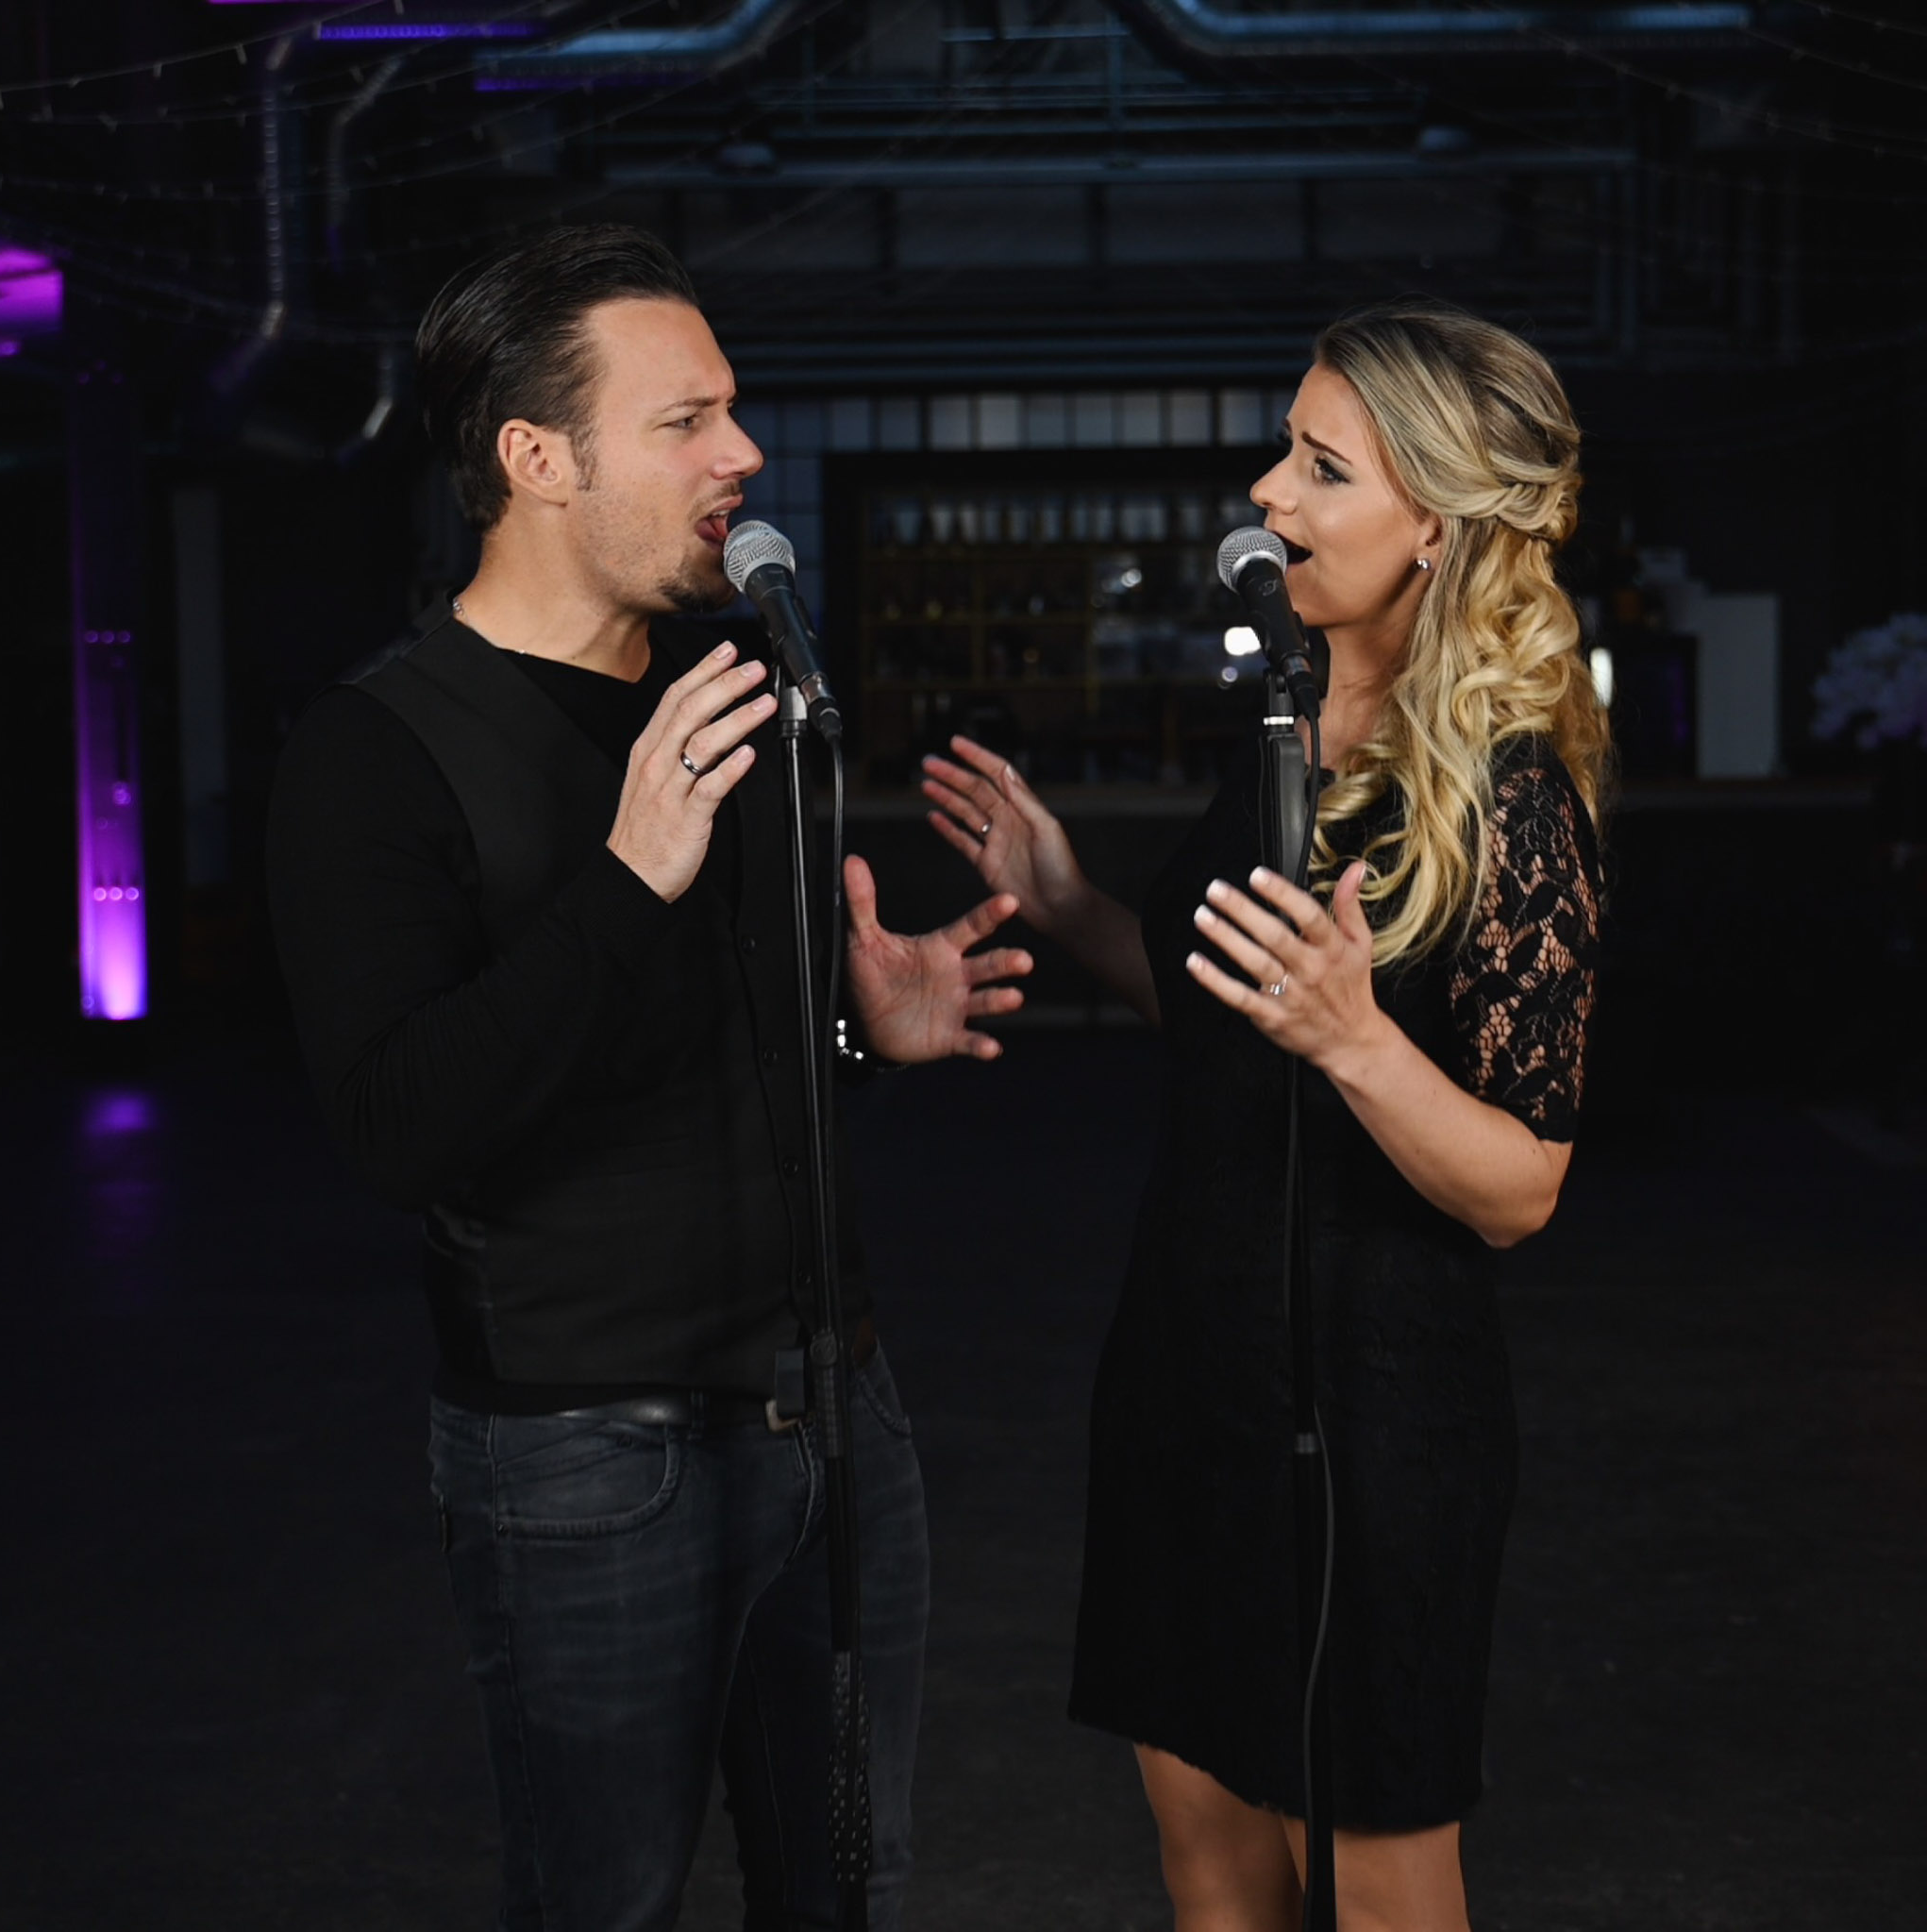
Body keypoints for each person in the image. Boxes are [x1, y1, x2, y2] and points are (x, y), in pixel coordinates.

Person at [267, 224, 1031, 1932]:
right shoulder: (373, 753)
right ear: (538, 460)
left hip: (836, 1414)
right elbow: (402, 1128)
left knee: (849, 1891)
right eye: (685, 421)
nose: (740, 453)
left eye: (733, 411)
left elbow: (706, 1059)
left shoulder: (730, 696)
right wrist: (626, 881)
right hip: (589, 1459)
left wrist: (859, 1036)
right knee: (606, 1904)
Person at [922, 303, 1606, 1931]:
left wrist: (1358, 1043)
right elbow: (1240, 1034)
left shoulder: (1512, 798)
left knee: (1376, 1891)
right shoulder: (1287, 736)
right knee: (1212, 1874)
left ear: (1437, 523)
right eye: (1284, 453)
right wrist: (1075, 908)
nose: (1267, 492)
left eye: (1320, 467)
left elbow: (1521, 1187)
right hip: (1189, 1376)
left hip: (1372, 1417)